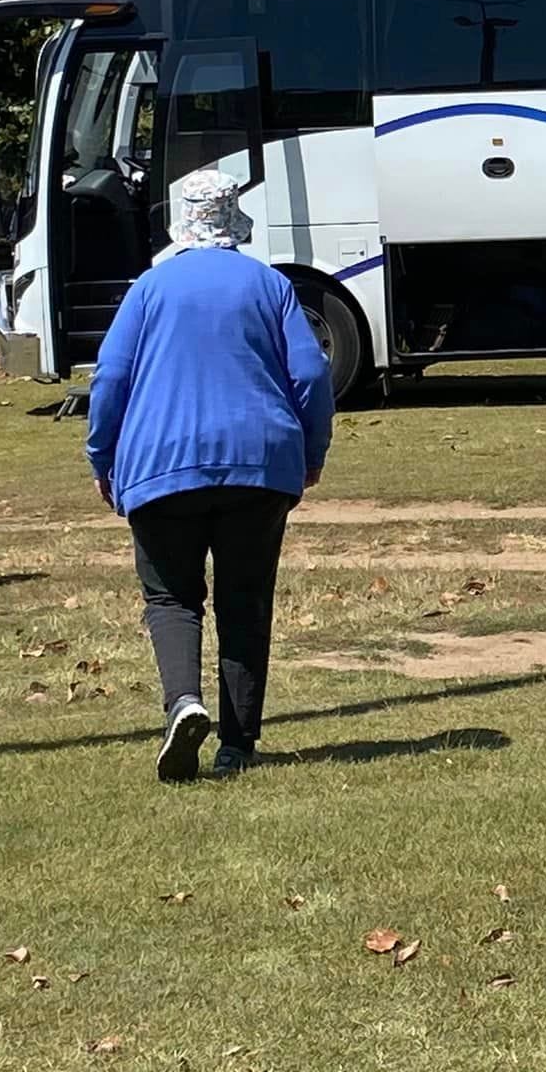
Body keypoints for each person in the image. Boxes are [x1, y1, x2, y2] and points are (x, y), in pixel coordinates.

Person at [86, 173, 334, 783]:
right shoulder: (271, 285)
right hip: (260, 462)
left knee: (171, 596)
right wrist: (311, 448)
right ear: (235, 221)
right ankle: (237, 744)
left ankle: (182, 702)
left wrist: (102, 456)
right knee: (244, 600)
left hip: (159, 462)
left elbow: (110, 379)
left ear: (180, 223)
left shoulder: (149, 287)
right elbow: (310, 374)